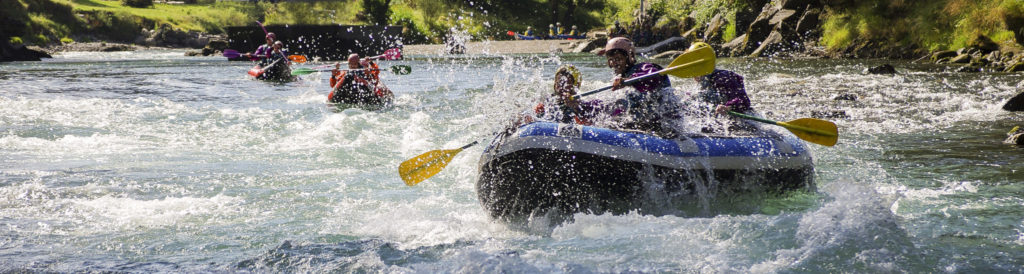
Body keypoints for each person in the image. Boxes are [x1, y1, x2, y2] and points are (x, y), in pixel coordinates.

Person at [600, 37, 684, 137]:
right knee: (612, 119)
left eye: (618, 59)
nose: (614, 63)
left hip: (665, 124)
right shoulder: (620, 79)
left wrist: (629, 81)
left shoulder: (644, 68)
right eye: (611, 60)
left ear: (630, 56)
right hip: (645, 123)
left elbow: (652, 79)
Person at [689, 43, 752, 115]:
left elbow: (744, 101)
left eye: (694, 66)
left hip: (739, 120)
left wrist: (728, 107)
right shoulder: (701, 83)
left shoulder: (722, 77)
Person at [532, 65, 603, 125]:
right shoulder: (546, 105)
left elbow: (590, 125)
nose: (561, 88)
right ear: (554, 85)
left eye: (566, 84)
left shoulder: (584, 107)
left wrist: (576, 109)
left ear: (575, 87)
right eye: (559, 83)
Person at [328, 53, 392, 104]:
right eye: (351, 64)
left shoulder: (365, 71)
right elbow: (333, 85)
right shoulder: (345, 73)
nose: (352, 66)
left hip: (366, 93)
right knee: (348, 76)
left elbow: (375, 79)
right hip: (348, 95)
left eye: (355, 64)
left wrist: (370, 65)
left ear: (358, 63)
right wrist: (334, 75)